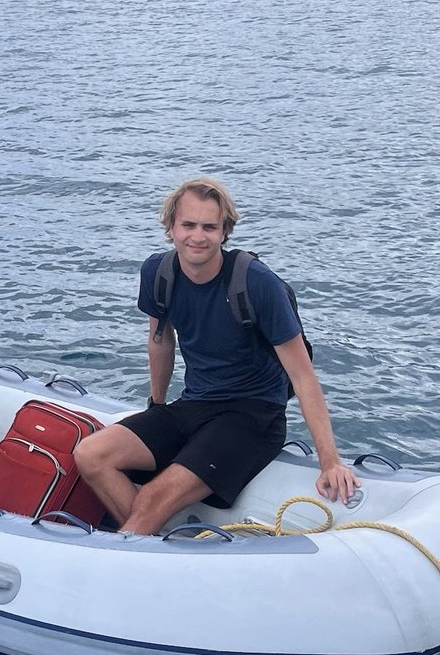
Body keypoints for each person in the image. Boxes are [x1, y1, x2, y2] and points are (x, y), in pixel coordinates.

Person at [75, 178, 357, 535]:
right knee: (91, 455)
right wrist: (156, 406)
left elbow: (303, 377)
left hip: (253, 415)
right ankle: (151, 541)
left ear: (225, 232)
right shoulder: (158, 274)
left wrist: (330, 462)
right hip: (194, 404)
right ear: (171, 228)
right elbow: (160, 341)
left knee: (152, 499)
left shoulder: (258, 284)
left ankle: (129, 548)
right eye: (188, 225)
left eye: (209, 227)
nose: (198, 236)